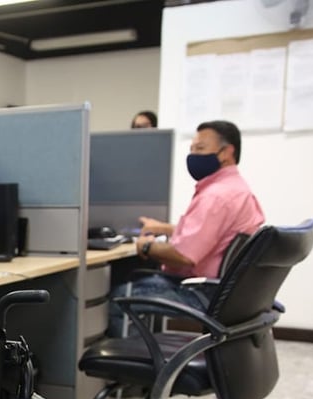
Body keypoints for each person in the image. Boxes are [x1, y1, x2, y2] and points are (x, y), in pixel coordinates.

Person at [107, 119, 264, 337]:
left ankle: (129, 363)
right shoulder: (236, 189)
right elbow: (212, 234)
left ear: (226, 152)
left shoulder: (216, 196)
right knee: (134, 277)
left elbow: (183, 255)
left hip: (200, 292)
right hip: (221, 291)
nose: (193, 156)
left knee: (119, 294)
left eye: (200, 149)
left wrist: (145, 247)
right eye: (191, 149)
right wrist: (166, 228)